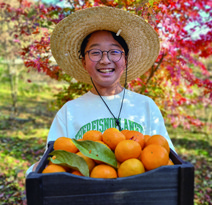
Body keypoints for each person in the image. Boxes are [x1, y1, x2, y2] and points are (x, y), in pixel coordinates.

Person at [26, 6, 175, 175]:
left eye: (114, 51)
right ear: (84, 62)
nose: (105, 60)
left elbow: (167, 159)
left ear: (125, 60)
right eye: (95, 52)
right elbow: (54, 161)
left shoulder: (146, 106)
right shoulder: (69, 112)